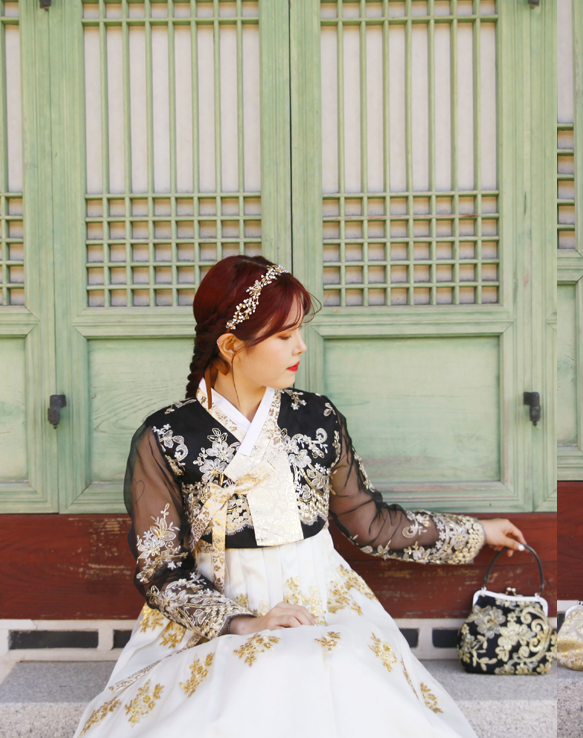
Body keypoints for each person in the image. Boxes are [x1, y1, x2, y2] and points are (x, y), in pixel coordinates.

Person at [73, 255, 527, 737]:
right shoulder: (165, 436)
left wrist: (477, 532)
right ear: (231, 345)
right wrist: (244, 623)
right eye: (285, 335)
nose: (301, 346)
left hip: (322, 604)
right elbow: (161, 570)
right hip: (217, 618)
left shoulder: (317, 418)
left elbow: (371, 524)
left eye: (299, 331)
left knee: (338, 674)